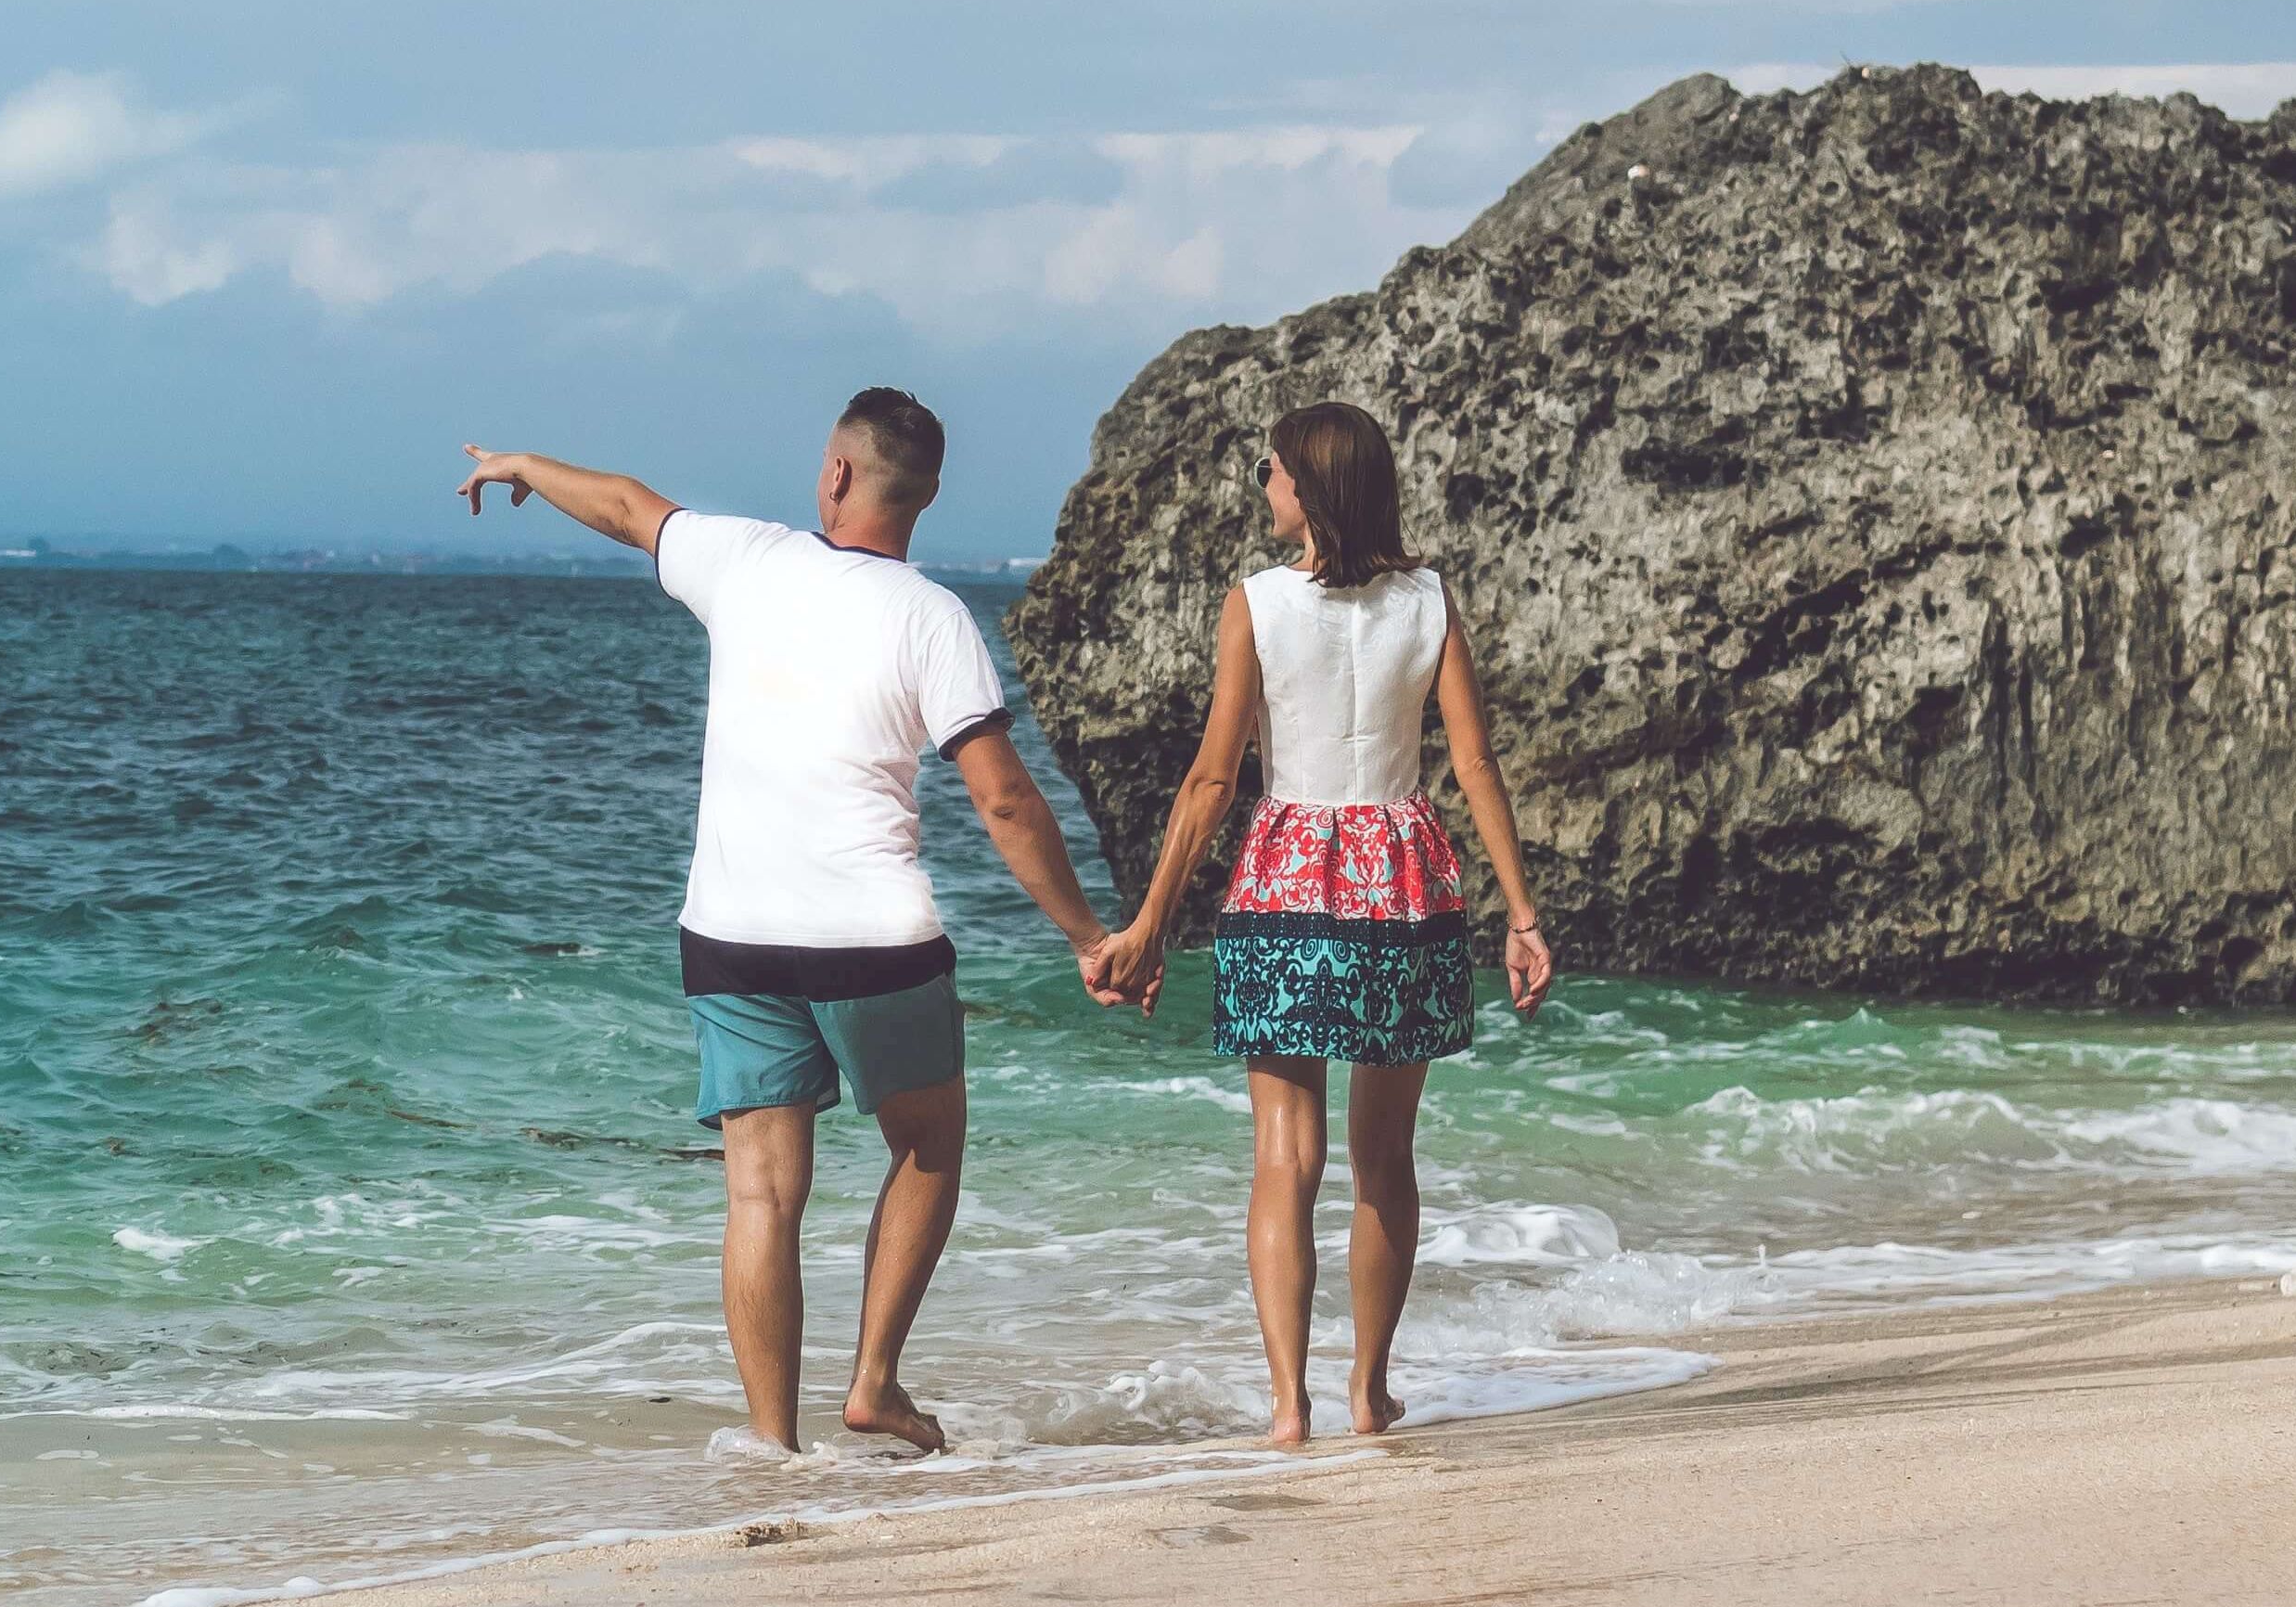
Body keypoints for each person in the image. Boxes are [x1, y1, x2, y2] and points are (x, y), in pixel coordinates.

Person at [457, 388, 1126, 1457]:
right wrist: (1089, 936)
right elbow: (1004, 797)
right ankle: (873, 1383)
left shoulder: (748, 560)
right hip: (872, 944)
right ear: (928, 496)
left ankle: (773, 1448)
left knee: (762, 1196)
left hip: (730, 935)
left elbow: (628, 507)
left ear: (836, 475)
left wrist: (522, 465)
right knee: (928, 1144)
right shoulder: (933, 617)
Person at [1083, 401, 1556, 1446]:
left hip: (1287, 875)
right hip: (1399, 880)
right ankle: (1368, 1393)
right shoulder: (1429, 601)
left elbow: (1213, 777)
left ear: (1308, 488)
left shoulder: (1254, 603)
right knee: (1385, 1155)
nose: (1263, 483)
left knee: (1283, 1154)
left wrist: (1153, 919)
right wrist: (1521, 913)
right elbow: (1472, 763)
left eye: (1272, 468)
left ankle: (1289, 1405)